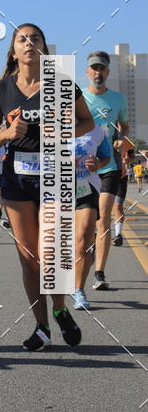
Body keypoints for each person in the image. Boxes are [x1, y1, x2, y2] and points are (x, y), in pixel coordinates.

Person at [0, 23, 94, 351]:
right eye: (22, 39)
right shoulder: (0, 90)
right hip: (16, 180)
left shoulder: (62, 86)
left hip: (54, 177)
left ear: (44, 49)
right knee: (29, 259)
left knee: (50, 253)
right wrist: (8, 134)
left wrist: (61, 130)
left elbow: (87, 122)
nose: (29, 43)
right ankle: (42, 327)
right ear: (14, 51)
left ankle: (60, 308)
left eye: (35, 39)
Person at [82, 51, 129, 291]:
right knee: (87, 222)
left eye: (102, 69)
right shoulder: (78, 98)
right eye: (94, 69)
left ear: (107, 72)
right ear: (87, 72)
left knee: (103, 218)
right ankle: (87, 251)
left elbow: (125, 125)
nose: (98, 73)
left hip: (108, 165)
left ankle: (99, 272)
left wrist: (121, 139)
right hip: (82, 169)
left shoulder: (119, 100)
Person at [72, 125, 111, 310]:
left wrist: (97, 164)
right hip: (54, 190)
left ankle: (78, 290)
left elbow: (106, 156)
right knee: (62, 244)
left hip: (86, 188)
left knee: (82, 242)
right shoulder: (47, 127)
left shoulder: (96, 129)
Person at [112, 143, 134, 247]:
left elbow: (132, 156)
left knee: (118, 206)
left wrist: (127, 160)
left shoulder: (128, 142)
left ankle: (118, 235)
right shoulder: (103, 134)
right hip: (101, 177)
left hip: (120, 177)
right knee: (101, 209)